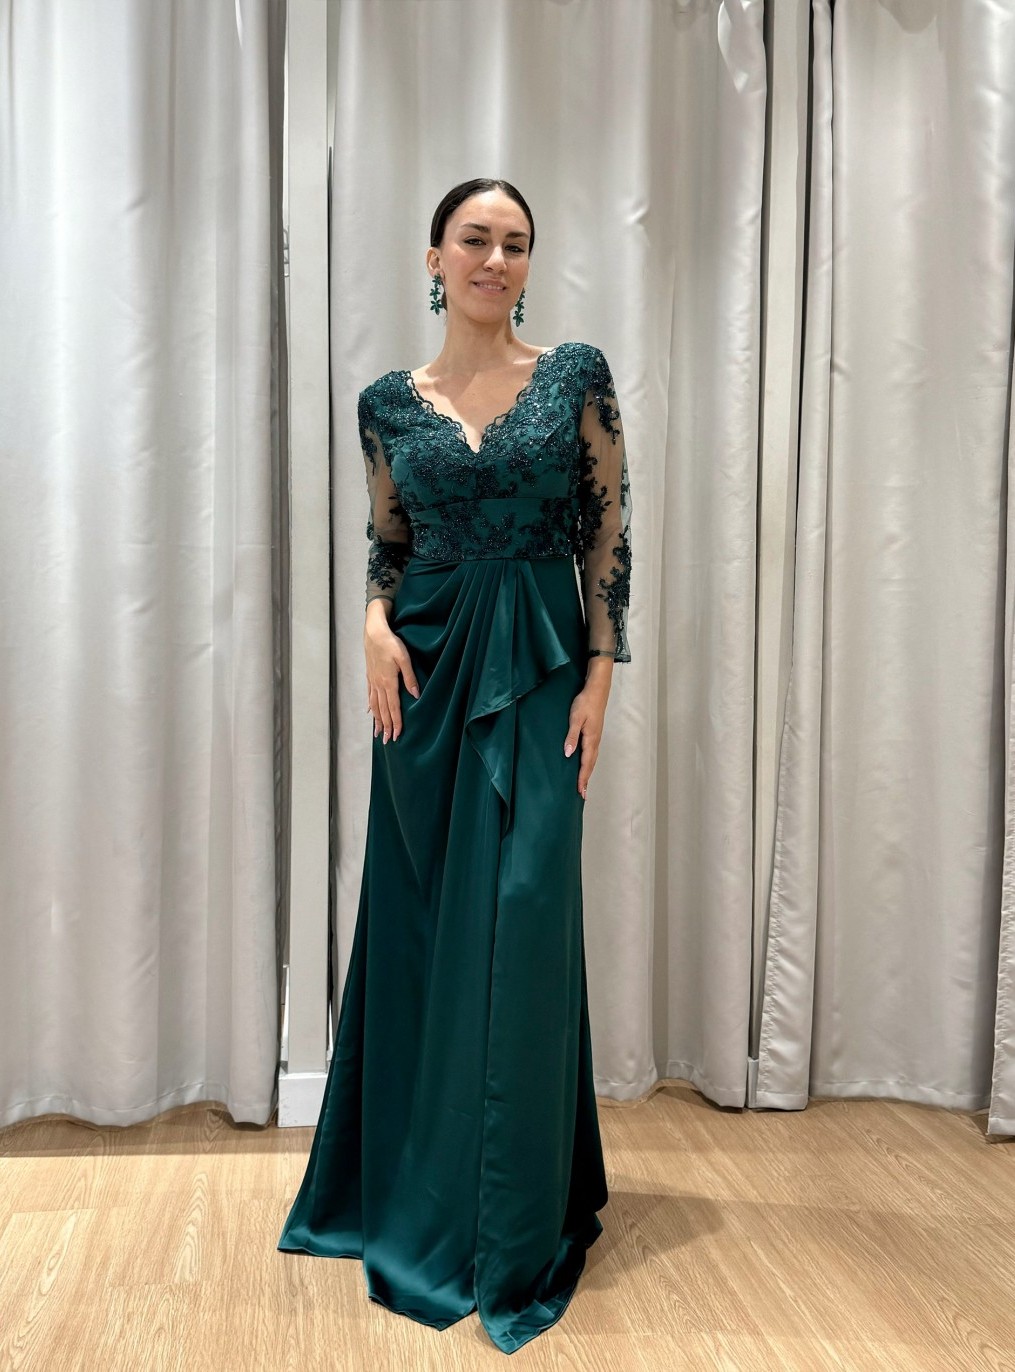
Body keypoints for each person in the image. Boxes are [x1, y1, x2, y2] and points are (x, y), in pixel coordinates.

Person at [277, 177, 632, 1356]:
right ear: (434, 256)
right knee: (424, 927)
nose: (495, 258)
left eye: (515, 243)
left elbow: (606, 531)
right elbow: (389, 540)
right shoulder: (387, 401)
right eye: (474, 239)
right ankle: (420, 1186)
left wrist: (600, 671)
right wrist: (372, 621)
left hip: (539, 666)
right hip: (423, 677)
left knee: (525, 920)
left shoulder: (575, 375)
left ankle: (515, 1221)